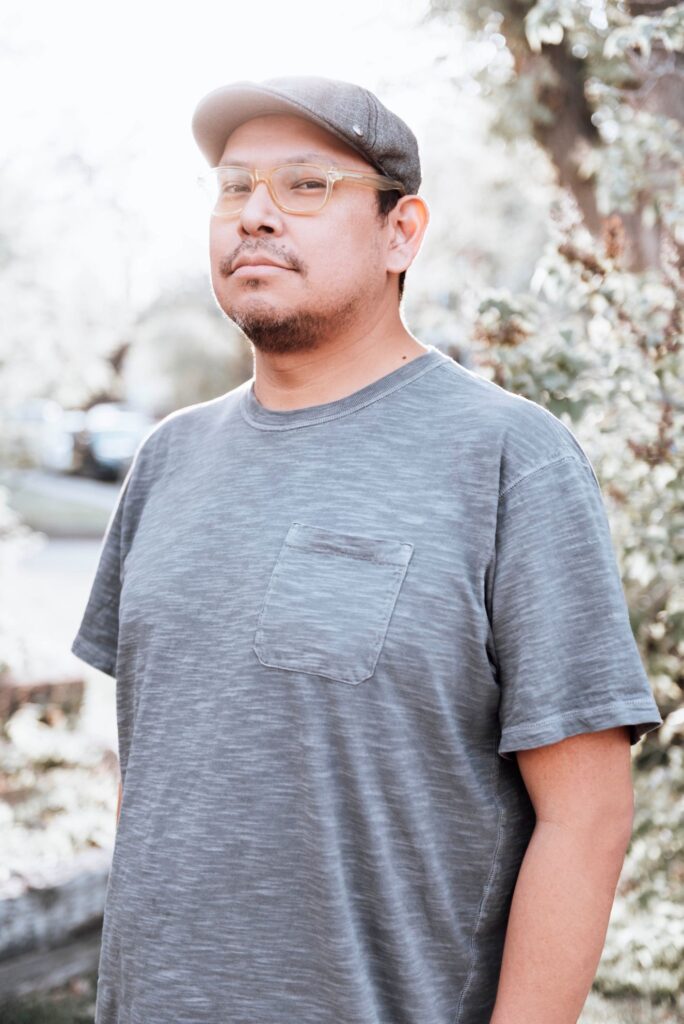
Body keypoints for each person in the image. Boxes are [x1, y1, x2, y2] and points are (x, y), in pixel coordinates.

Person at [71, 75, 663, 1024]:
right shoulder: (167, 460)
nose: (255, 215)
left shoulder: (511, 458)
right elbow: (160, 764)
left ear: (402, 233)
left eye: (306, 186)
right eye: (233, 188)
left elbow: (585, 818)